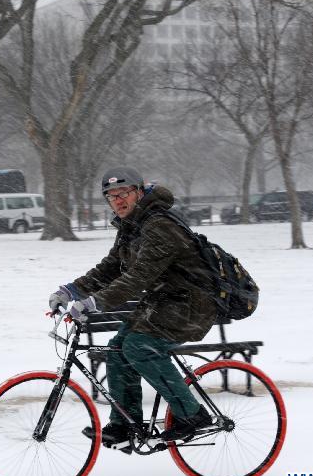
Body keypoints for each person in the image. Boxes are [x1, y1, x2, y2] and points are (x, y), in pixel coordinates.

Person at [48, 166, 217, 450]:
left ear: (138, 192)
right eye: (111, 196)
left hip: (192, 303)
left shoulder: (160, 224)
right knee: (118, 349)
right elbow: (111, 268)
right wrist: (70, 290)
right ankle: (125, 425)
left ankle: (193, 415)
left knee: (139, 347)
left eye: (123, 193)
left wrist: (94, 302)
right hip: (164, 302)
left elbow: (140, 276)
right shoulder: (132, 226)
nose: (118, 200)